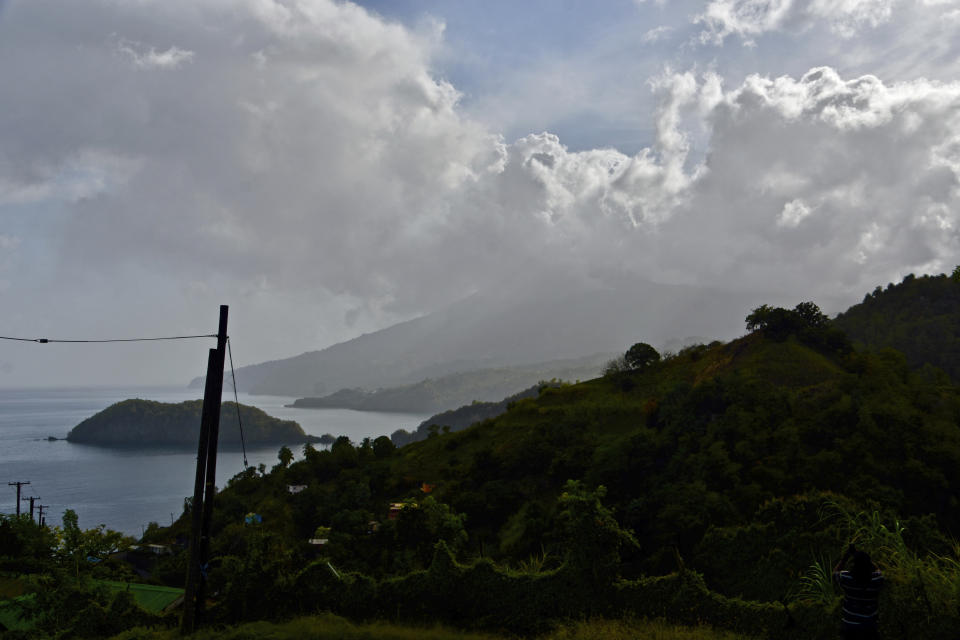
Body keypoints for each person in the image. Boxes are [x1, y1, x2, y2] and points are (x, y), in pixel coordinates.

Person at [833, 544, 884, 639]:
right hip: (870, 627)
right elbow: (878, 570)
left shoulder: (847, 578)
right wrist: (864, 559)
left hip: (850, 627)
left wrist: (845, 558)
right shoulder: (876, 579)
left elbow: (835, 573)